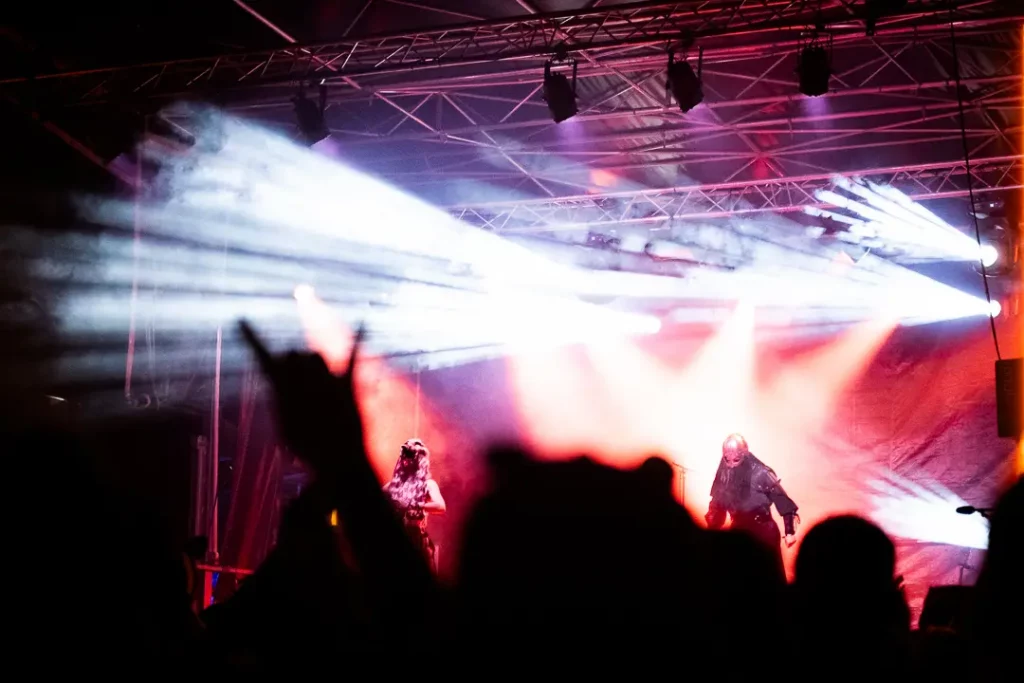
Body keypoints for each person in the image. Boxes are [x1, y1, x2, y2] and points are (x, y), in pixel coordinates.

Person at [705, 433, 799, 575]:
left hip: (763, 531)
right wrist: (713, 523)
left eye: (736, 459)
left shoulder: (761, 472)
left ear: (744, 454)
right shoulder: (724, 473)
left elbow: (782, 500)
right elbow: (718, 502)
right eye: (727, 459)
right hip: (738, 531)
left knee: (766, 577)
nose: (731, 464)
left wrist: (789, 530)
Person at [384, 438, 446, 569]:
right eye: (404, 457)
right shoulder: (392, 486)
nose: (406, 461)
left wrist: (415, 505)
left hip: (417, 543)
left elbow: (440, 506)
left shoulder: (428, 484)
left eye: (410, 457)